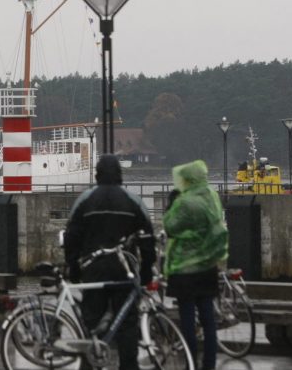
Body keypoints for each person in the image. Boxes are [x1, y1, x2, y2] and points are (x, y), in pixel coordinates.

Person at [64, 155, 154, 370]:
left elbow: (71, 237)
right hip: (124, 270)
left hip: (93, 268)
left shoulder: (84, 201)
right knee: (127, 324)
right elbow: (147, 239)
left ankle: (91, 364)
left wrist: (73, 266)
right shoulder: (133, 202)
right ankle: (128, 365)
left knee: (92, 320)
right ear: (120, 175)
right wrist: (146, 269)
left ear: (97, 175)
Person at [163, 160, 229, 370]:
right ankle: (209, 364)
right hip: (207, 266)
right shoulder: (212, 197)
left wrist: (171, 205)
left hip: (184, 269)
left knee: (188, 320)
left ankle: (191, 361)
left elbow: (170, 227)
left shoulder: (185, 202)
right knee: (209, 320)